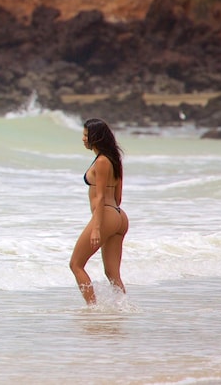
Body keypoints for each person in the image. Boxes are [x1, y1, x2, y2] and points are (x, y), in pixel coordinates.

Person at [69, 118, 129, 305]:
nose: (83, 139)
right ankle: (122, 308)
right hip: (119, 216)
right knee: (112, 274)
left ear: (95, 138)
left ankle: (92, 309)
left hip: (106, 215)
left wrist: (97, 227)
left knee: (76, 265)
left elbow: (101, 197)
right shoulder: (114, 159)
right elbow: (118, 197)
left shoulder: (102, 161)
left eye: (86, 135)